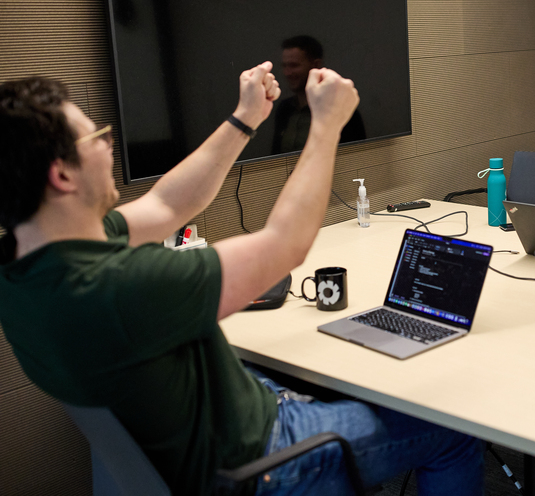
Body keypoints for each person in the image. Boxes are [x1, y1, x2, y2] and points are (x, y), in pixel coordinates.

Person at [0, 63, 483, 495]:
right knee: (455, 429)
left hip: (218, 431)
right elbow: (285, 245)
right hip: (264, 462)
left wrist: (244, 118)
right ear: (62, 175)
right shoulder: (118, 286)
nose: (108, 144)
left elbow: (167, 205)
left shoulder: (28, 269)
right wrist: (327, 125)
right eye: (96, 138)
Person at [274, 35, 366, 153]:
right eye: (284, 66)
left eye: (294, 65)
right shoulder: (284, 109)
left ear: (316, 65)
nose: (287, 72)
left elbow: (357, 158)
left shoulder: (342, 111)